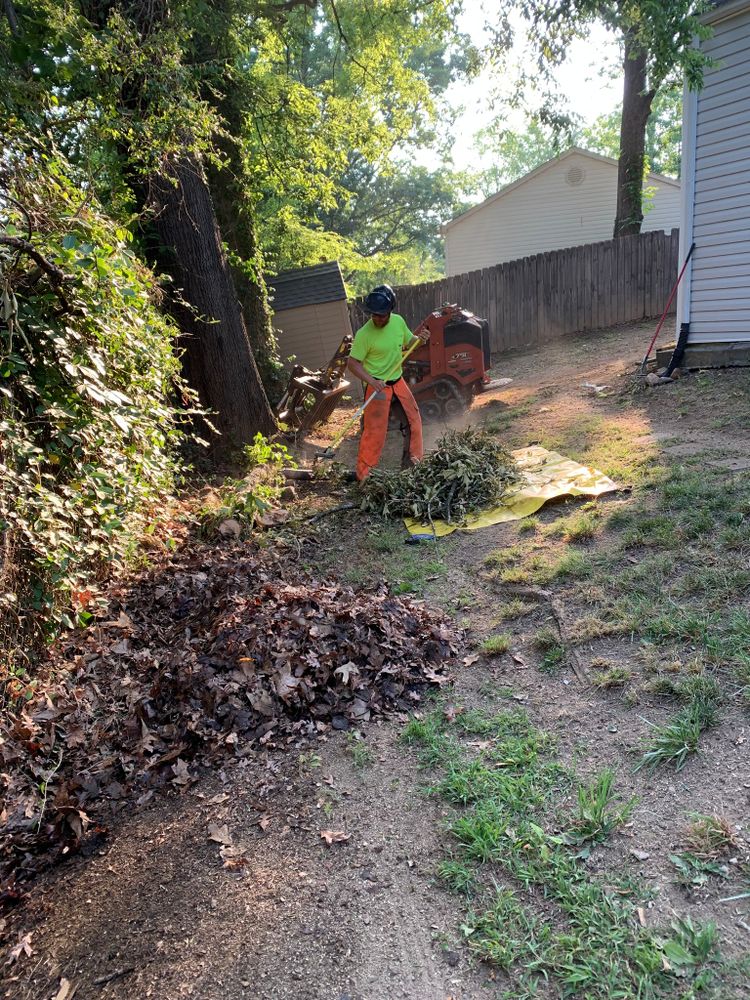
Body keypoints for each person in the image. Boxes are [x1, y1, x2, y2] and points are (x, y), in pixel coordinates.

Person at [347, 284, 428, 481]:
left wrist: (422, 339)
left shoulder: (398, 322)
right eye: (374, 314)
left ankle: (412, 467)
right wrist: (372, 381)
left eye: (381, 315)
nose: (377, 318)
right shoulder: (364, 334)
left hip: (398, 382)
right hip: (378, 388)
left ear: (390, 311)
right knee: (374, 432)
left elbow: (411, 343)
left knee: (414, 421)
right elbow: (352, 363)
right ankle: (363, 476)